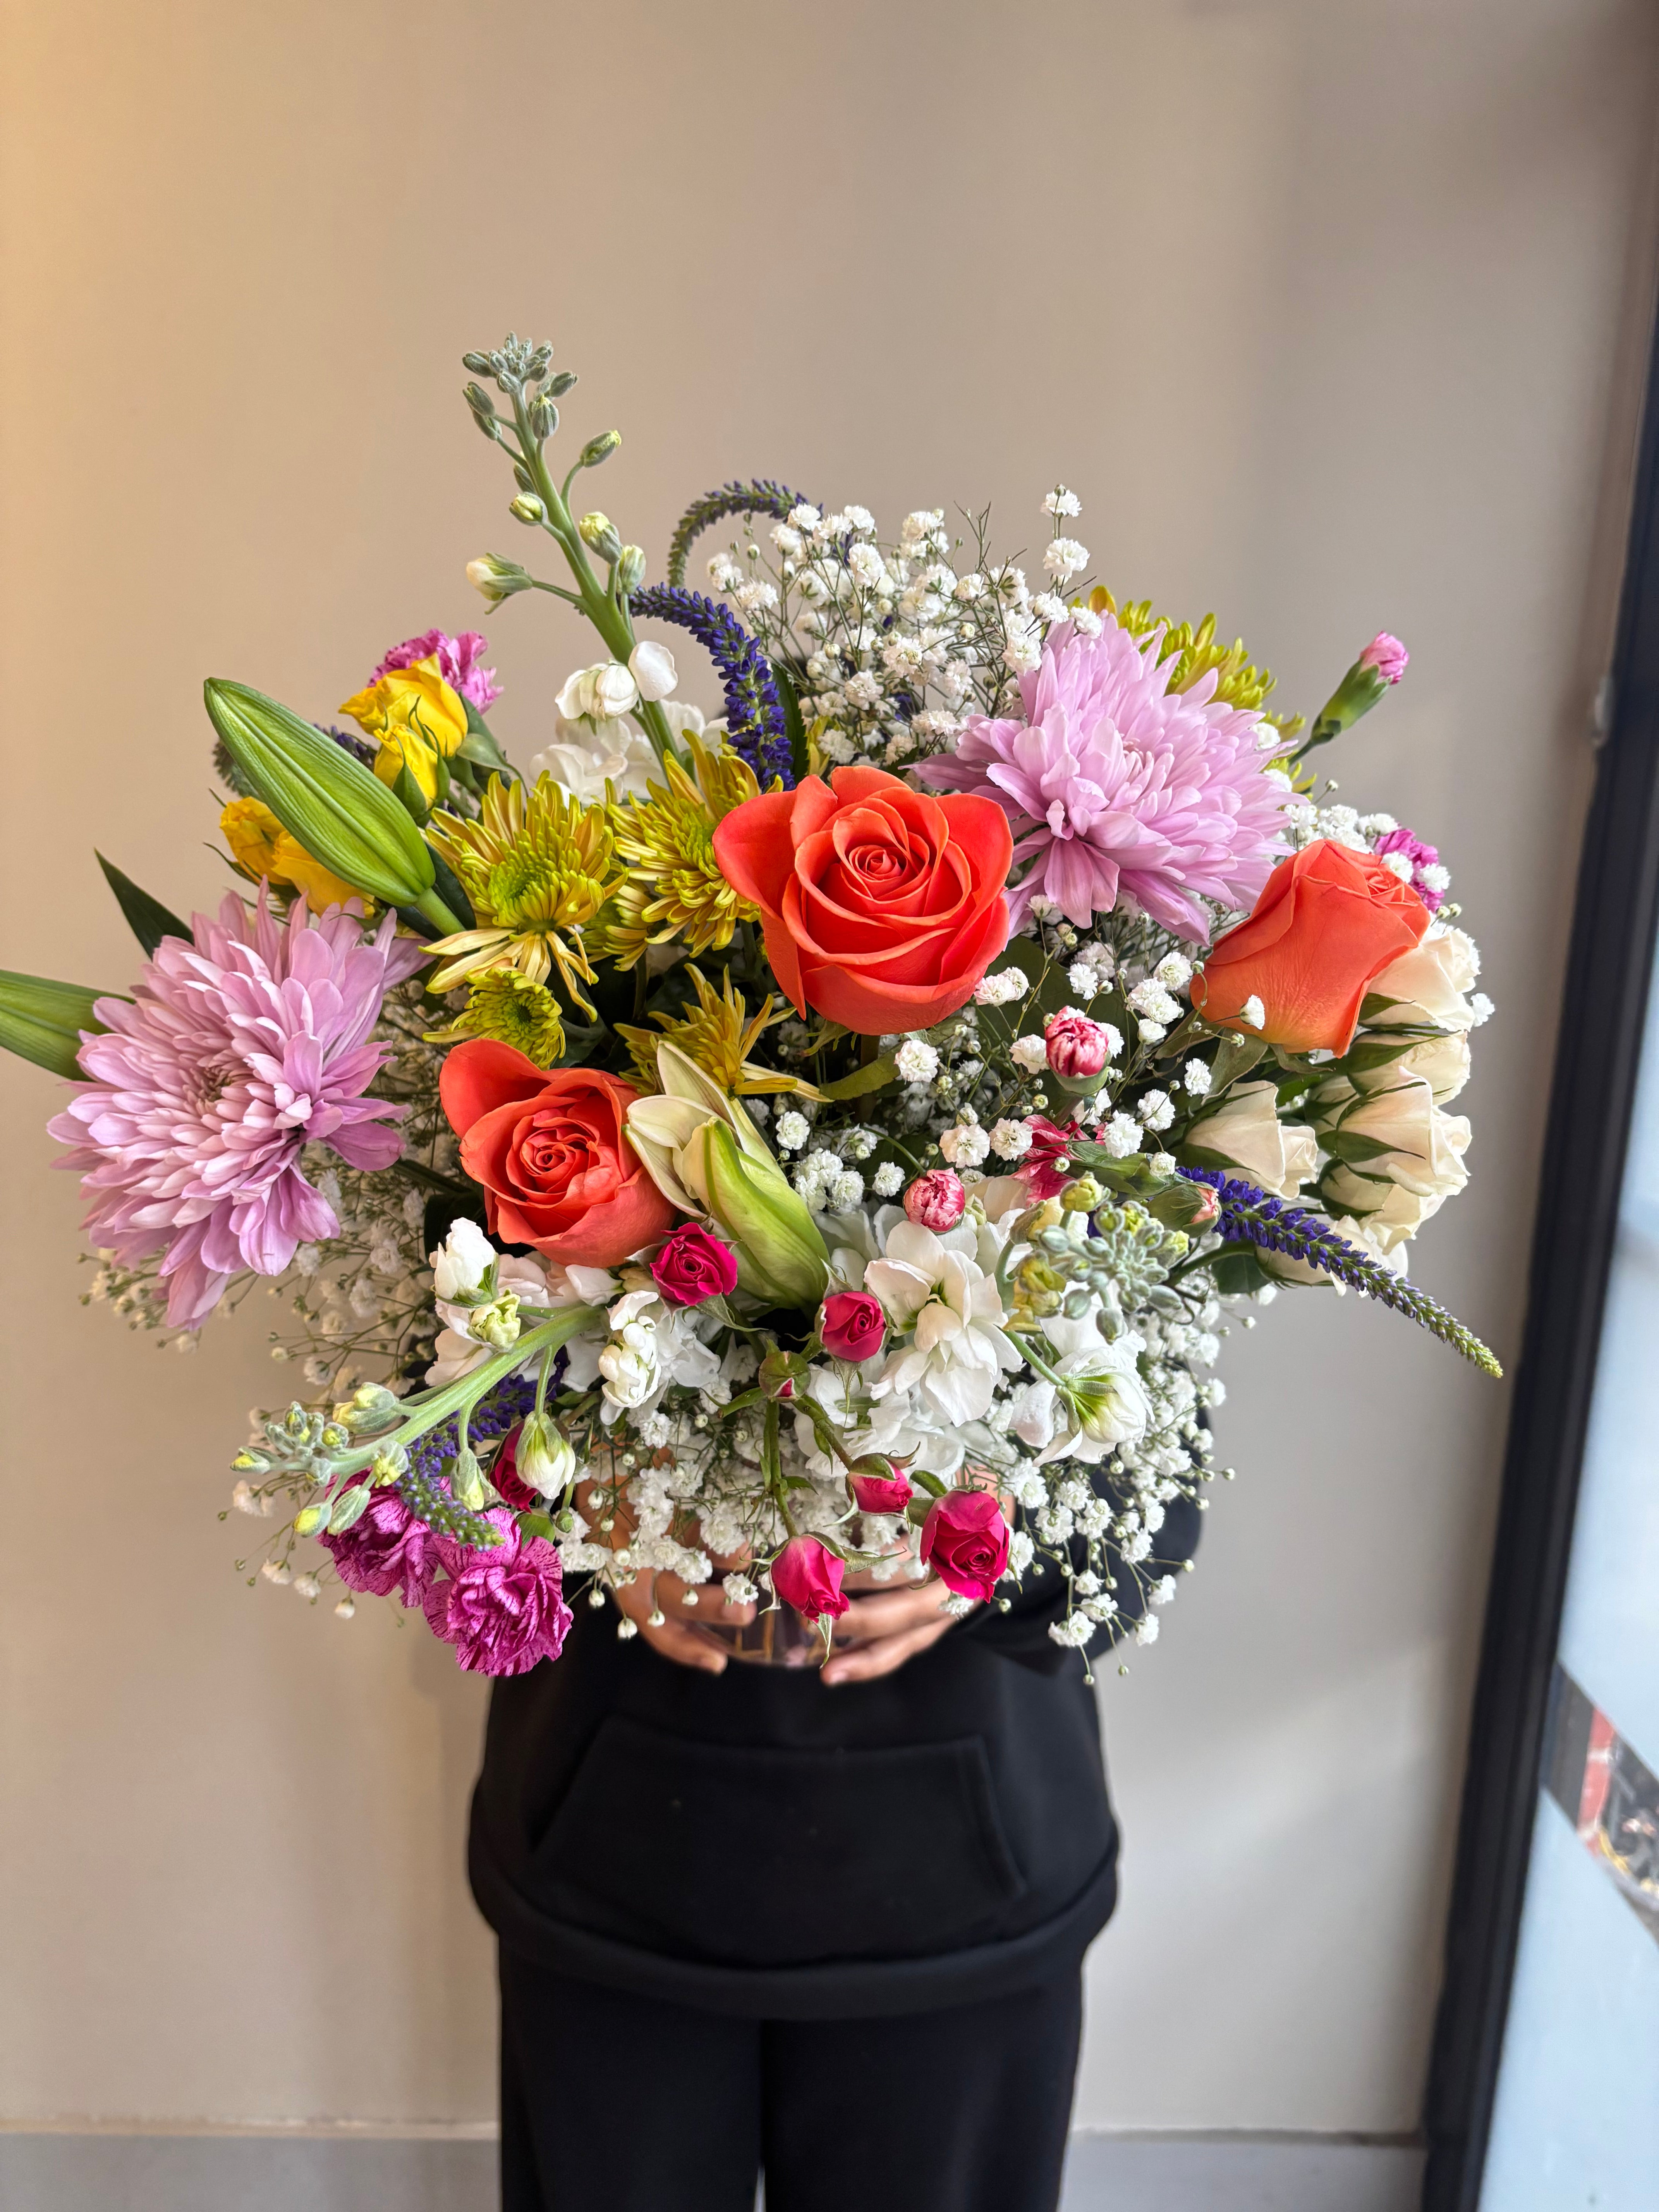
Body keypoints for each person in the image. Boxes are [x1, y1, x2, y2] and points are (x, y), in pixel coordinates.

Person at [471, 1489, 1202, 2212]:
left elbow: (1157, 1483)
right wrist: (576, 1529)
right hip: (610, 1872)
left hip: (965, 1902)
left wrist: (995, 1551)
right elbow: (423, 1435)